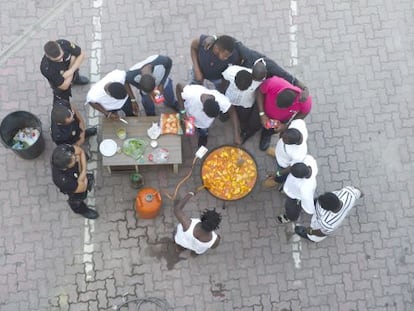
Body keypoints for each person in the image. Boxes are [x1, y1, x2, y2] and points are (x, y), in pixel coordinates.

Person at [202, 35, 310, 100]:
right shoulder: (237, 51)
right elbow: (228, 40)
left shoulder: (269, 66)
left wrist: (304, 88)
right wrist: (214, 37)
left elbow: (287, 76)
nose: (224, 57)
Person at [257, 76, 312, 151]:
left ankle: (266, 135)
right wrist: (262, 113)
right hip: (262, 111)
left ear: (292, 104)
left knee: (270, 130)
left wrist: (286, 126)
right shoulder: (273, 83)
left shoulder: (305, 101)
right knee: (253, 123)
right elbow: (260, 91)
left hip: (279, 121)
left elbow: (304, 113)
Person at [176, 83, 240, 147]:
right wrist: (183, 111)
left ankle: (203, 136)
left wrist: (237, 134)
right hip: (189, 115)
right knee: (188, 126)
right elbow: (178, 87)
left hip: (203, 125)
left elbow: (232, 111)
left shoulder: (221, 100)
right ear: (203, 110)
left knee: (203, 131)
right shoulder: (192, 92)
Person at [295, 186, 364, 242]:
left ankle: (309, 237)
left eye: (321, 205)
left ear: (328, 209)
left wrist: (310, 231)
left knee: (314, 237)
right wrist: (361, 194)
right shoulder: (348, 193)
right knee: (316, 201)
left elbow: (322, 233)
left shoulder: (327, 222)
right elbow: (359, 192)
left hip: (318, 223)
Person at [221, 60, 266, 143]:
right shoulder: (232, 71)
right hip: (230, 98)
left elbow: (259, 92)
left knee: (243, 118)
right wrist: (223, 92)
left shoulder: (260, 80)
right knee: (228, 111)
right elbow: (224, 80)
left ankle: (241, 128)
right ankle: (227, 115)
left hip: (246, 103)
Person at [51, 144, 98, 219]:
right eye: (73, 160)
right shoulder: (63, 181)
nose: (75, 158)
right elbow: (83, 187)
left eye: (74, 156)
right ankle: (81, 210)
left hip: (78, 176)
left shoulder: (61, 150)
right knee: (77, 199)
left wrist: (82, 171)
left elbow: (80, 151)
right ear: (65, 168)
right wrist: (82, 170)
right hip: (73, 188)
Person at [263, 119, 308, 188]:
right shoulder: (298, 123)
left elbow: (291, 168)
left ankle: (277, 181)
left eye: (284, 140)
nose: (281, 138)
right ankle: (276, 154)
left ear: (292, 144)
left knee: (282, 176)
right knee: (279, 151)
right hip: (281, 153)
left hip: (284, 163)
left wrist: (277, 174)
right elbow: (289, 124)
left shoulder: (298, 154)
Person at [277, 155, 318, 224]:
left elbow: (307, 202)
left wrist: (311, 209)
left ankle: (290, 217)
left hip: (296, 197)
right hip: (292, 189)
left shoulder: (305, 189)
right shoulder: (308, 159)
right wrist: (278, 174)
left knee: (291, 208)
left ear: (301, 177)